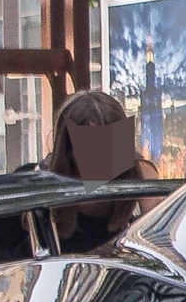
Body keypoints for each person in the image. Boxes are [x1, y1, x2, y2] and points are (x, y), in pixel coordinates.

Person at [46, 89, 152, 255]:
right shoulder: (38, 193)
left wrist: (146, 188)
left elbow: (162, 243)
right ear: (68, 151)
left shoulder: (138, 184)